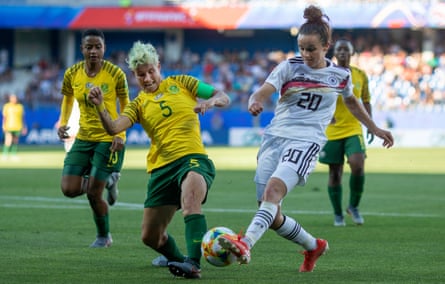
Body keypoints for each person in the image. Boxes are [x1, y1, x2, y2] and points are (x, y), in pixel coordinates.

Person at [218, 5, 394, 273]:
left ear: (326, 46)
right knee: (271, 213)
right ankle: (314, 246)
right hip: (274, 139)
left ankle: (245, 243)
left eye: (311, 48)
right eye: (301, 47)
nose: (305, 53)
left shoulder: (340, 75)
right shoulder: (289, 67)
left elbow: (353, 103)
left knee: (272, 192)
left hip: (306, 142)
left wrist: (376, 128)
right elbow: (263, 91)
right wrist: (256, 101)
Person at [87, 41, 230, 279]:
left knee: (191, 199)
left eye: (151, 71)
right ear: (135, 76)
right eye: (141, 75)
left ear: (159, 66)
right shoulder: (138, 105)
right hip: (161, 169)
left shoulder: (182, 82)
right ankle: (177, 259)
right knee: (150, 237)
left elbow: (221, 95)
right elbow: (113, 127)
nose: (147, 78)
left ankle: (193, 264)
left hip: (192, 158)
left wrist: (210, 102)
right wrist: (100, 106)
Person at [57, 29, 130, 247]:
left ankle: (103, 236)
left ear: (104, 48)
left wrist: (121, 133)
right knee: (68, 189)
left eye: (98, 46)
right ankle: (108, 180)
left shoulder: (116, 74)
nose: (93, 51)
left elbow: (127, 105)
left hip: (109, 138)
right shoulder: (72, 73)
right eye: (89, 47)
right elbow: (68, 99)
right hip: (84, 137)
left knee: (93, 193)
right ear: (82, 49)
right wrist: (63, 122)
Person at [319, 39, 373, 227]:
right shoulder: (326, 74)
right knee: (335, 173)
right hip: (332, 130)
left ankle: (354, 206)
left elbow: (365, 100)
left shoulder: (360, 75)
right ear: (334, 53)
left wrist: (370, 125)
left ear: (352, 53)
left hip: (353, 128)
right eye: (339, 49)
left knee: (357, 164)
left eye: (346, 50)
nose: (342, 52)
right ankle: (338, 214)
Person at [2, 93, 27, 161]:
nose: (14, 99)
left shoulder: (20, 107)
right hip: (9, 126)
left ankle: (13, 154)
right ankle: (5, 154)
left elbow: (22, 118)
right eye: (12, 98)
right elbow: (4, 117)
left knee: (15, 141)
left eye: (15, 98)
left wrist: (24, 127)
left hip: (18, 126)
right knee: (8, 141)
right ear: (10, 99)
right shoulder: (7, 106)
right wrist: (3, 125)